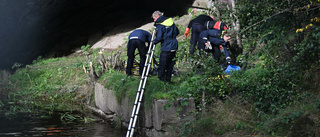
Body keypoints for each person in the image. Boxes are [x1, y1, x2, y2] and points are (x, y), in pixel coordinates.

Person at [152, 10, 179, 82]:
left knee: (162, 65)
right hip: (174, 45)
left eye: (154, 19)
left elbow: (159, 37)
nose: (154, 21)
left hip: (166, 47)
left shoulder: (160, 25)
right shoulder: (171, 22)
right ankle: (168, 81)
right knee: (170, 65)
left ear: (157, 17)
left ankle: (161, 81)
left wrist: (153, 42)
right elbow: (177, 31)